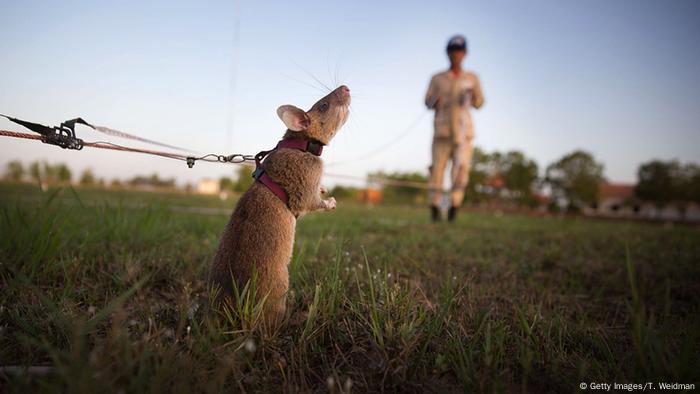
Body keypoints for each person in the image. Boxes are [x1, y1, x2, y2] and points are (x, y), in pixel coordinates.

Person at [424, 34, 484, 222]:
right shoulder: (437, 78)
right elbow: (427, 101)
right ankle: (435, 209)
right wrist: (435, 101)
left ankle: (453, 208)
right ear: (447, 53)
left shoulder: (472, 78)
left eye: (458, 51)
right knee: (437, 171)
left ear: (464, 53)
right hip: (442, 132)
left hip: (464, 133)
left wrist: (473, 95)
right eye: (452, 51)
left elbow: (480, 103)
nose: (455, 55)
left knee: (461, 171)